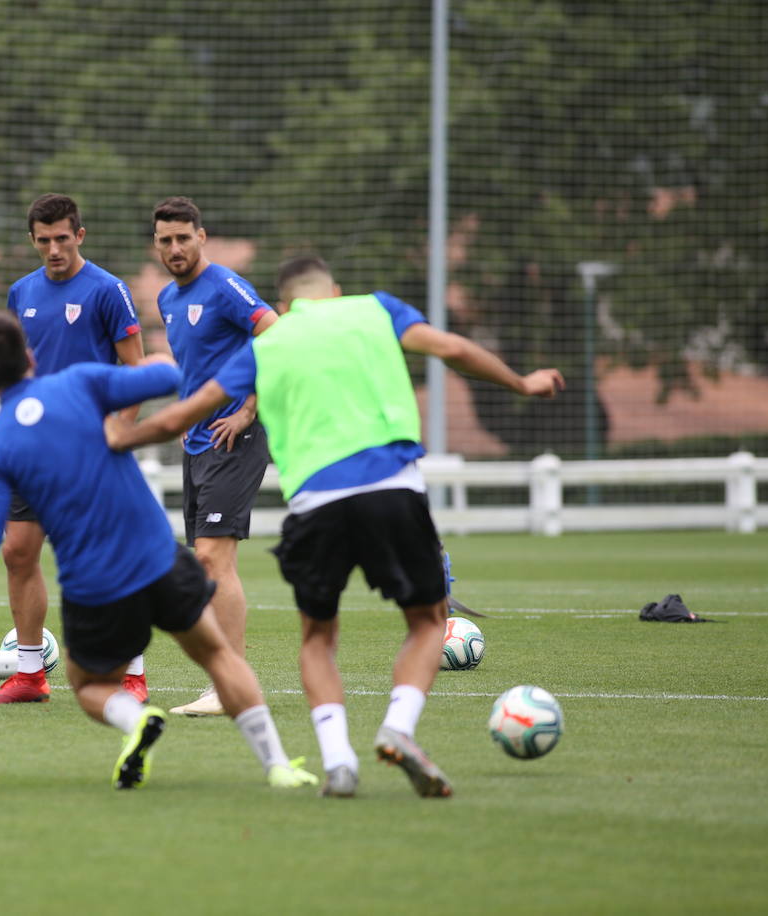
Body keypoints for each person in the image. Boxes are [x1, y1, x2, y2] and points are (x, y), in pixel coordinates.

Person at [106, 255, 564, 797]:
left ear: (284, 305)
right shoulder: (376, 311)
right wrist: (521, 383)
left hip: (316, 501)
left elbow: (187, 412)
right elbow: (454, 349)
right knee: (427, 622)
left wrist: (114, 441)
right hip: (392, 488)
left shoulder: (268, 344)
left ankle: (339, 759)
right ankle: (398, 728)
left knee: (318, 638)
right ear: (337, 291)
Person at [0, 311, 319, 791]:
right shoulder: (80, 383)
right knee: (217, 655)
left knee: (87, 685)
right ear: (29, 356)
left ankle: (135, 720)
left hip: (95, 585)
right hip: (157, 558)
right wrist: (165, 360)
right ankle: (276, 764)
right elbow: (168, 376)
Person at [0, 192, 149, 706]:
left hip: (89, 451)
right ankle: (29, 675)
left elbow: (136, 373)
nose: (54, 249)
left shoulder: (107, 290)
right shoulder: (20, 292)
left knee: (105, 560)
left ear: (80, 235)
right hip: (32, 451)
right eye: (44, 240)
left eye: (62, 238)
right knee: (18, 553)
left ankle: (132, 675)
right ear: (32, 239)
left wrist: (117, 432)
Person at [151, 196, 277, 717]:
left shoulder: (225, 285)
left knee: (212, 558)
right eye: (166, 240)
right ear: (156, 244)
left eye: (184, 237)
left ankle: (231, 687)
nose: (175, 248)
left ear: (202, 237)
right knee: (204, 565)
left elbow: (275, 333)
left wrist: (249, 408)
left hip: (236, 437)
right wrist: (185, 415)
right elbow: (197, 365)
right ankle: (225, 684)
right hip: (200, 441)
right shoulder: (165, 299)